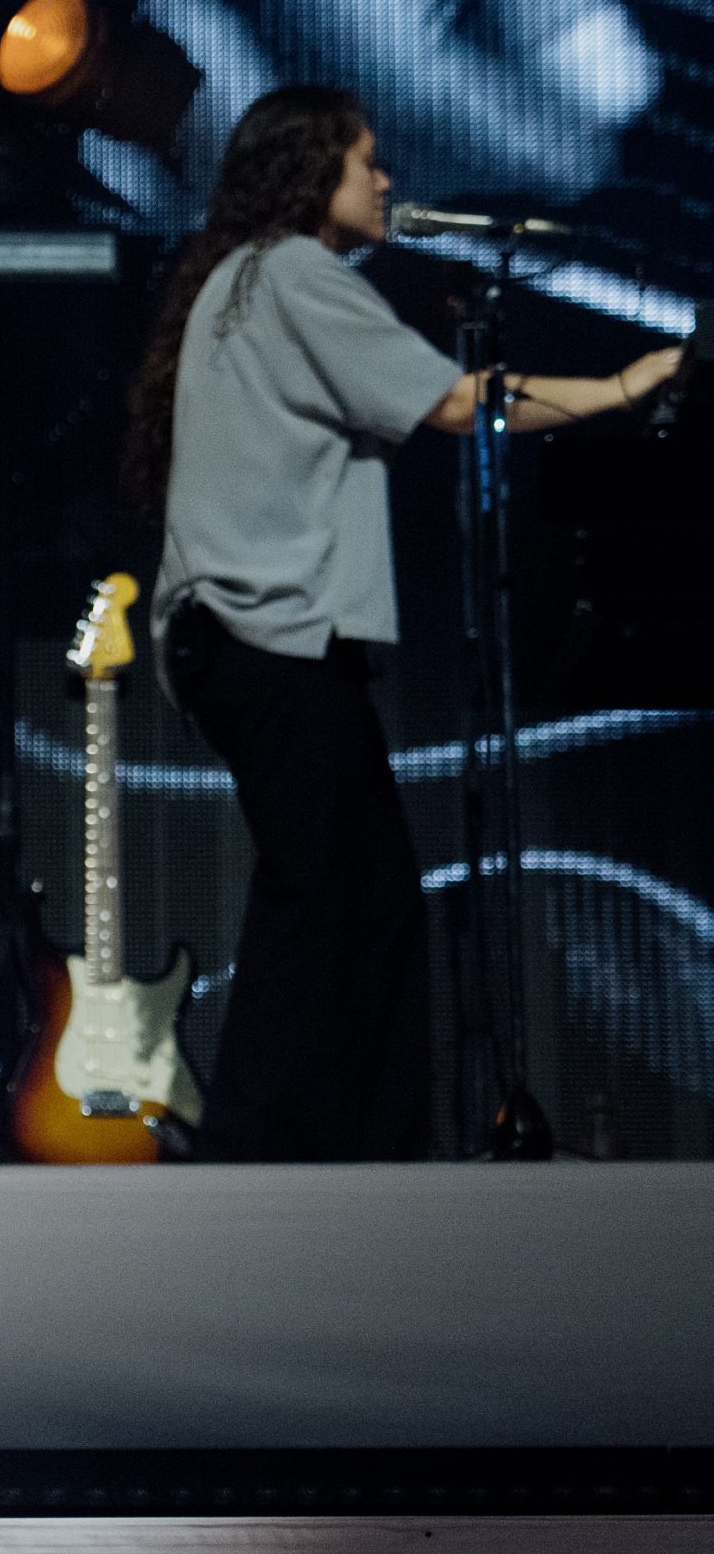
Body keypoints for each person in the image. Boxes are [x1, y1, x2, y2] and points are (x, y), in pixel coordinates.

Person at [123, 84, 681, 1163]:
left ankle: (360, 1146)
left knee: (369, 892)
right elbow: (458, 403)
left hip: (247, 641)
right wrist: (626, 383)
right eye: (366, 161)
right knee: (321, 887)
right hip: (264, 636)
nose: (385, 181)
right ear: (309, 172)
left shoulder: (247, 278)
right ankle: (258, 1145)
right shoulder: (293, 272)